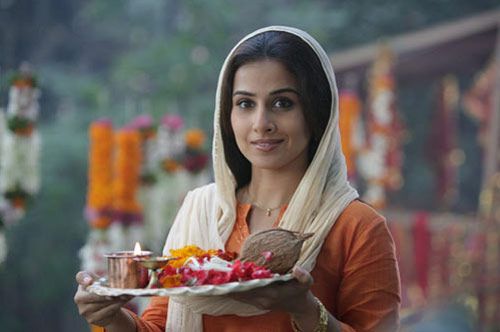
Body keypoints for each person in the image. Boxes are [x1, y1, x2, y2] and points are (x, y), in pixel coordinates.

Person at [74, 26, 401, 332]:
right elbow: (162, 326)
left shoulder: (357, 228)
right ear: (226, 116)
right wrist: (114, 318)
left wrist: (304, 309)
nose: (261, 123)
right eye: (245, 103)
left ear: (316, 113)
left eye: (282, 103)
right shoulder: (201, 212)